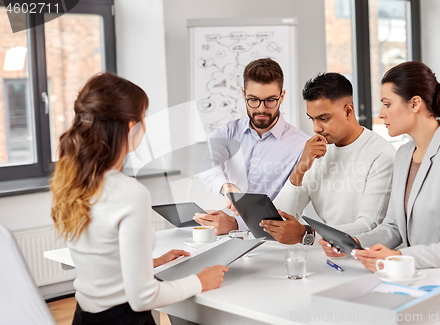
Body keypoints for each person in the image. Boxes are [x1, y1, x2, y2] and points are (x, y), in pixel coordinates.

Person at [50, 73, 228, 325]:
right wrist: (200, 281)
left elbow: (101, 262)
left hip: (84, 318)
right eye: (144, 118)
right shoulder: (129, 193)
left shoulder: (71, 181)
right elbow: (143, 297)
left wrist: (150, 263)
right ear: (131, 127)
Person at [320, 61, 440, 269]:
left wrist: (398, 256)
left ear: (414, 104)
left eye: (387, 104)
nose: (381, 113)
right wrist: (355, 243)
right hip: (424, 276)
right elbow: (394, 227)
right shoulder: (404, 154)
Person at [263, 73, 396, 244]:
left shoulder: (382, 154)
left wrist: (307, 234)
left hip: (367, 258)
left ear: (348, 111)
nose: (316, 128)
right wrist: (300, 168)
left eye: (324, 119)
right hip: (327, 253)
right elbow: (280, 219)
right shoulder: (316, 151)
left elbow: (369, 226)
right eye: (312, 119)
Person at [196, 58, 309, 235]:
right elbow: (208, 165)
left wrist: (236, 225)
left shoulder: (301, 145)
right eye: (253, 100)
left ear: (282, 96)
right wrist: (226, 187)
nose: (262, 109)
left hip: (275, 242)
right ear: (243, 94)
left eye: (270, 100)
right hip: (231, 237)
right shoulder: (227, 132)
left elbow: (292, 207)